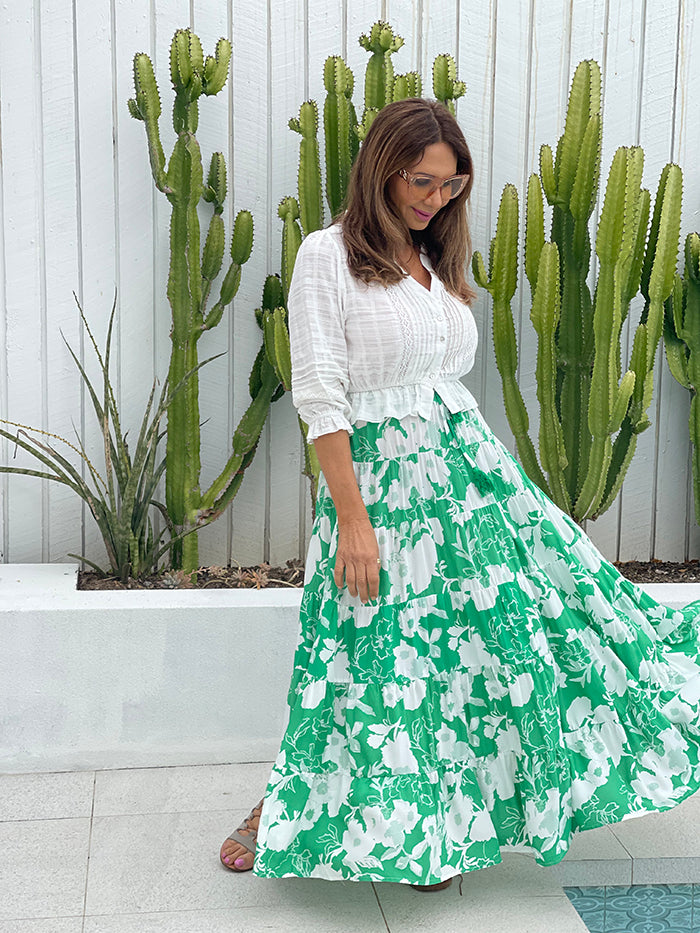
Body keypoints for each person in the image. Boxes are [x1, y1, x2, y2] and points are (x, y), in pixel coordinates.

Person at [220, 97, 700, 891]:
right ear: (380, 166)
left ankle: (437, 823)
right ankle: (287, 804)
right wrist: (353, 522)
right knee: (365, 656)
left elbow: (443, 386)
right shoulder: (325, 255)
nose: (433, 199)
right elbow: (321, 397)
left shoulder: (433, 262)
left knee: (492, 649)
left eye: (449, 186)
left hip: (472, 486)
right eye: (420, 180)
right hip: (383, 491)